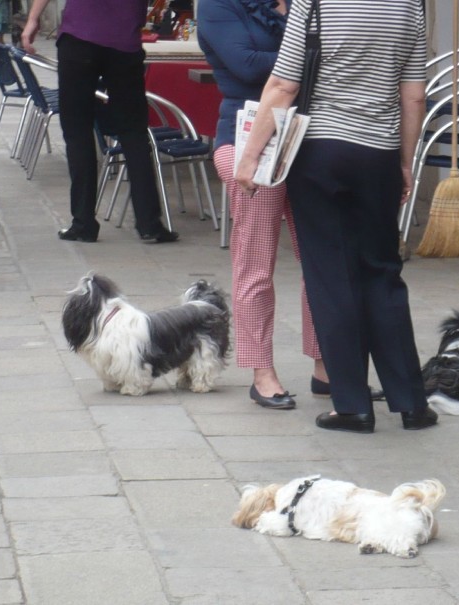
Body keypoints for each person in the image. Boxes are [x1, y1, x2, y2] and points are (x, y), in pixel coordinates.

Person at [236, 0, 436, 433]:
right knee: (383, 274)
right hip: (379, 153)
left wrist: (250, 156)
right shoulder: (409, 8)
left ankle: (352, 405)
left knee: (331, 277)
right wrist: (405, 162)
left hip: (321, 151)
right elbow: (414, 93)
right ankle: (412, 403)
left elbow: (284, 85)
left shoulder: (317, 3)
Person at [198, 0, 332, 410]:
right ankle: (262, 372)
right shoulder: (218, 5)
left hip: (308, 138)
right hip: (246, 142)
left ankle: (327, 365)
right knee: (256, 262)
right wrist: (312, 56)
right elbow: (248, 66)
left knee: (323, 261)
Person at [20, 0, 178, 244]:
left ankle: (83, 223)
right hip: (123, 42)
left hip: (79, 38)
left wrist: (33, 19)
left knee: (77, 131)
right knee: (133, 132)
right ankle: (149, 224)